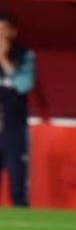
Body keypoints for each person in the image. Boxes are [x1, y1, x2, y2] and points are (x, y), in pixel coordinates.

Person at [0, 11, 33, 207]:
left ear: (13, 32)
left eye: (4, 31)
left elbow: (24, 86)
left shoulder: (24, 55)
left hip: (15, 129)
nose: (0, 35)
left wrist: (3, 59)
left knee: (17, 184)